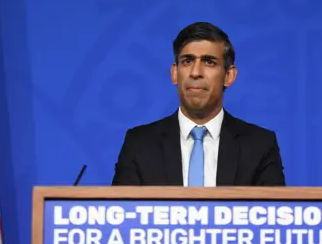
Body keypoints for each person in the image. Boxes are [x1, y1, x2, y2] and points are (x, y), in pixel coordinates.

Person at [111, 22, 286, 186]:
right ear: (174, 73)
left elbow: (275, 214)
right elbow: (121, 213)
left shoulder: (259, 145)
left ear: (228, 76)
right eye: (187, 61)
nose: (195, 73)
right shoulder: (140, 144)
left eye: (209, 62)